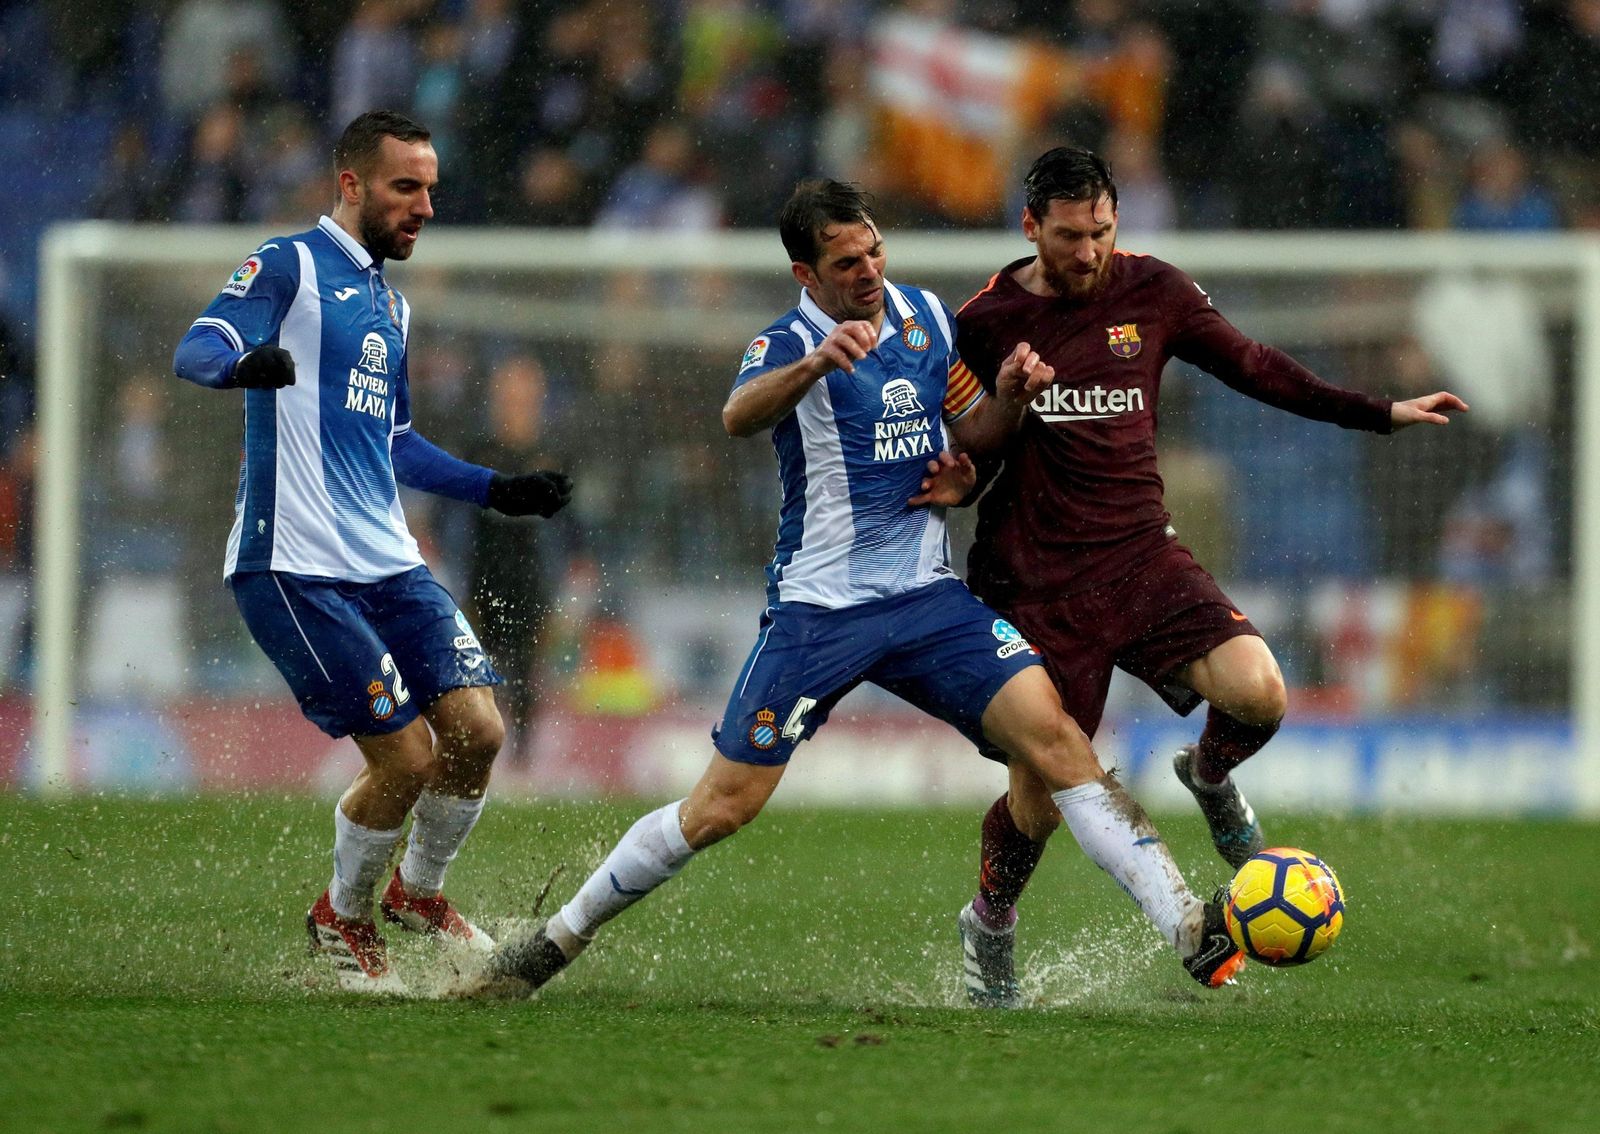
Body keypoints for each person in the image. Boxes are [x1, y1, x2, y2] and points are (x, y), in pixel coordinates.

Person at [476, 179, 1247, 1001]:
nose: (869, 271)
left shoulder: (925, 318)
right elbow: (738, 415)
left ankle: (1186, 925)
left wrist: (1008, 408)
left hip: (926, 601)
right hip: (821, 611)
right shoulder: (786, 343)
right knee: (721, 808)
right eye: (846, 263)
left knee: (1058, 741)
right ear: (806, 275)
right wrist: (814, 364)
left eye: (874, 250)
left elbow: (976, 430)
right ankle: (556, 940)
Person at [952, 145, 1467, 1005]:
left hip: (1141, 559)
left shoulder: (1153, 290)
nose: (1089, 251)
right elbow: (969, 454)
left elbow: (1253, 363)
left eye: (1102, 231)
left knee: (1261, 693)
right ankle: (990, 922)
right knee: (1038, 806)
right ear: (1030, 226)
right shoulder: (983, 322)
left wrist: (1378, 412)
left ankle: (1210, 774)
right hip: (1036, 586)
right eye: (1071, 236)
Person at [172, 109, 574, 993]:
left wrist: (496, 489)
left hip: (387, 562)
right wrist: (243, 366)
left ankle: (416, 894)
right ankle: (341, 918)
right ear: (351, 184)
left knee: (478, 731)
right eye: (405, 187)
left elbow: (395, 441)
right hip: (294, 566)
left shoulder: (392, 305)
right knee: (407, 757)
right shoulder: (289, 264)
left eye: (430, 188)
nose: (424, 206)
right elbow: (197, 347)